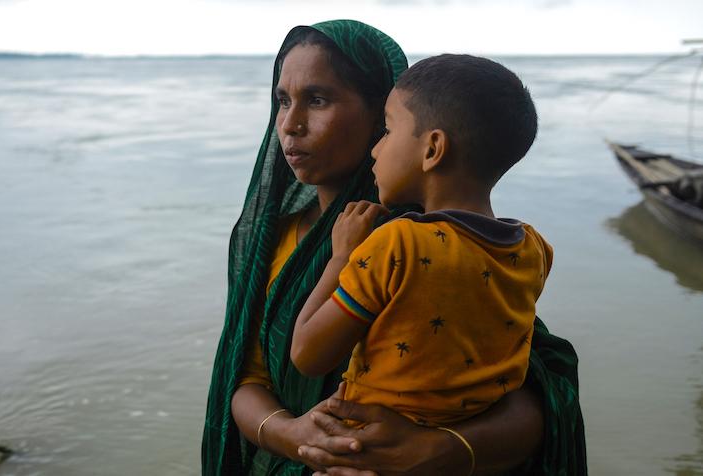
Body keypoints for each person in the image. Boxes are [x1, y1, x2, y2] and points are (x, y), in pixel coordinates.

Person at [202, 20, 587, 476]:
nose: (290, 124)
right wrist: (296, 435)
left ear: (377, 116)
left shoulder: (427, 243)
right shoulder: (273, 240)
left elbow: (533, 383)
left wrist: (438, 449)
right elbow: (245, 377)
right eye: (282, 101)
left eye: (318, 100)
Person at [291, 54, 553, 434]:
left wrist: (342, 257)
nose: (375, 150)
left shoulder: (397, 245)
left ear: (432, 149)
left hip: (364, 453)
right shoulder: (534, 250)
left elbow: (307, 354)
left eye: (387, 130)